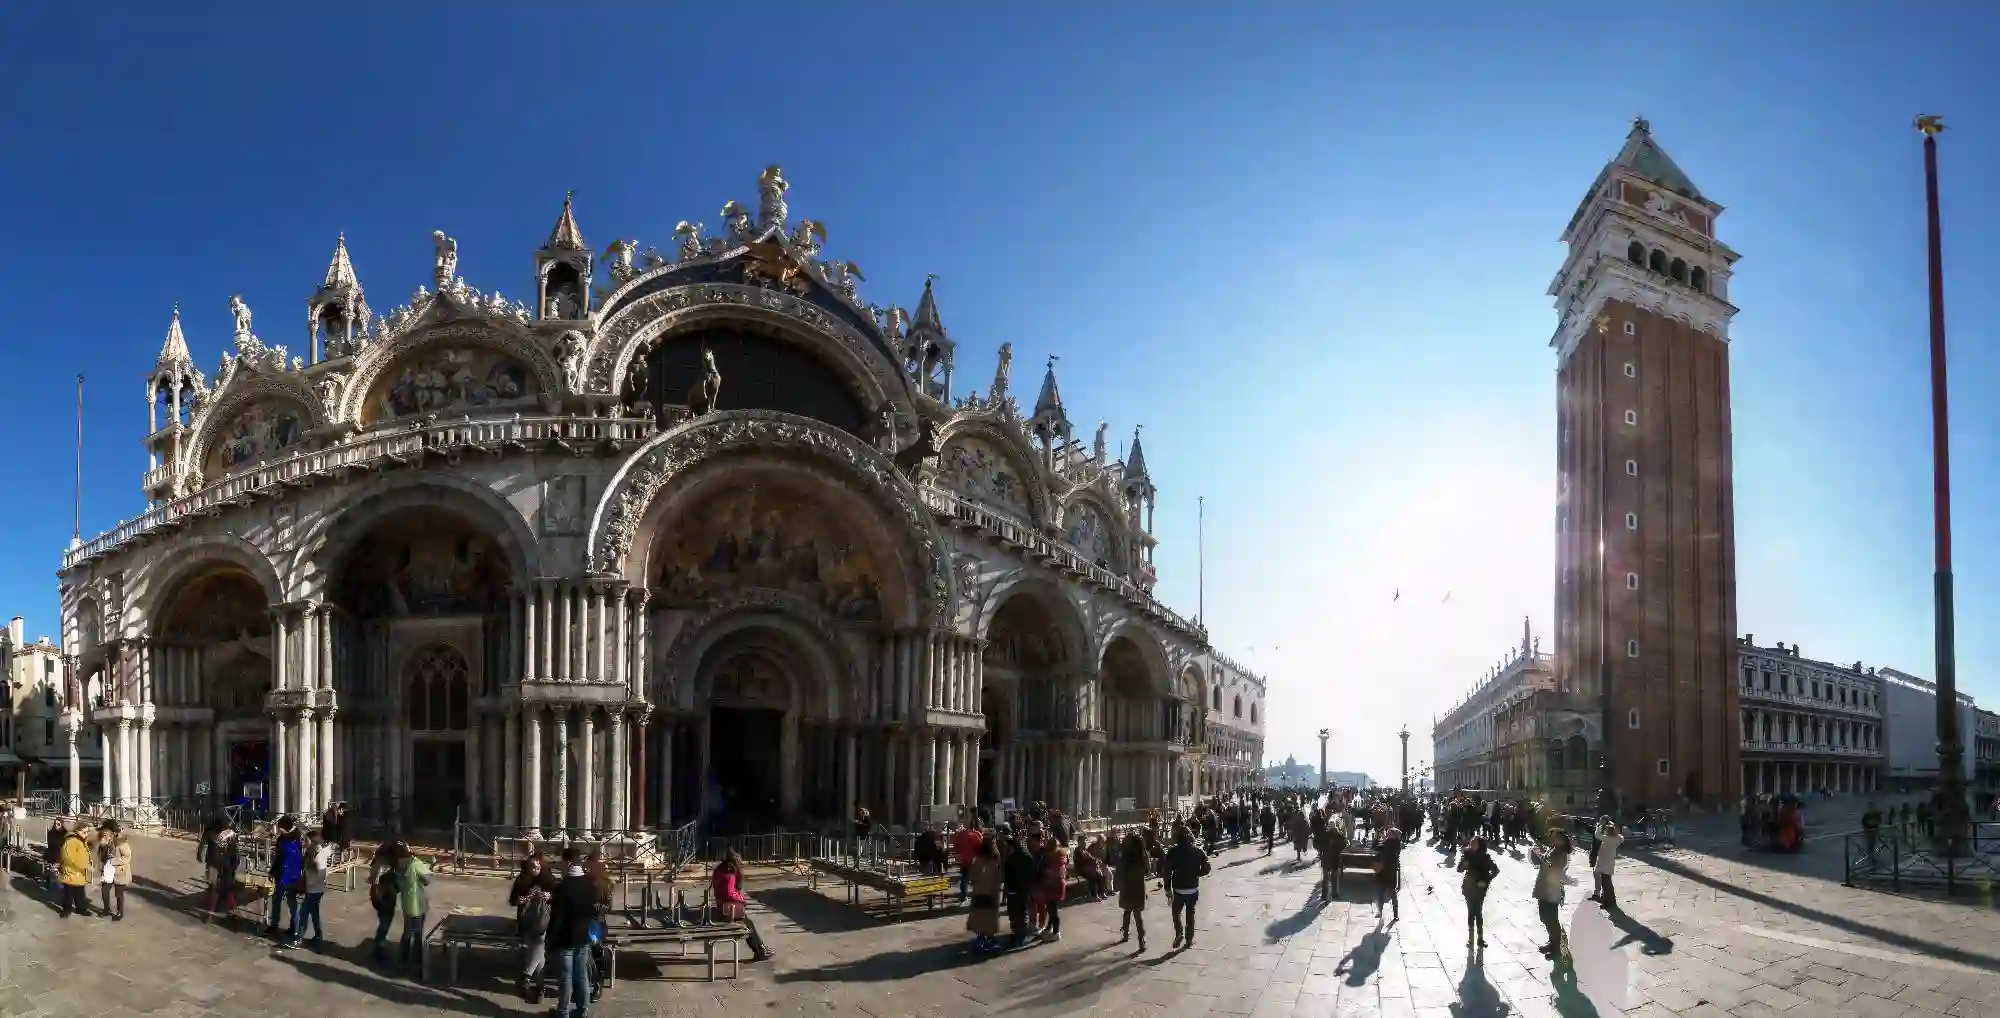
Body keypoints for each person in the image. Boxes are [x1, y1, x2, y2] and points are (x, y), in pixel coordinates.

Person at [547, 846, 600, 1017]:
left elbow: (557, 916)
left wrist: (550, 938)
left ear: (568, 862)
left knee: (566, 976)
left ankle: (563, 1012)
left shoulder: (563, 887)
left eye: (562, 861)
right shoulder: (590, 884)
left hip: (565, 937)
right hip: (583, 934)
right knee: (582, 974)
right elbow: (592, 911)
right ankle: (582, 1010)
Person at [510, 851, 559, 1003]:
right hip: (526, 920)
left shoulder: (548, 879)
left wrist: (549, 896)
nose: (535, 869)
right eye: (532, 866)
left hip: (544, 920)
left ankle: (526, 977)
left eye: (537, 866)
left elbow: (558, 897)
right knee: (538, 952)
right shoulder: (522, 879)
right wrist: (521, 899)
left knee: (537, 945)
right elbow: (513, 900)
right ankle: (539, 987)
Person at [711, 849, 772, 962]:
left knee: (748, 923)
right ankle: (761, 951)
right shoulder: (729, 875)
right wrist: (742, 900)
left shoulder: (720, 870)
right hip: (728, 909)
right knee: (748, 924)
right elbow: (730, 894)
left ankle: (761, 950)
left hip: (723, 906)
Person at [1164, 822, 1210, 949]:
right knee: (1190, 913)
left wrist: (1167, 888)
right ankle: (1189, 939)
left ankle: (1179, 932)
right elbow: (1207, 867)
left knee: (1176, 912)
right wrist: (1198, 874)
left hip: (1178, 888)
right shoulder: (1198, 851)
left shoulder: (1172, 851)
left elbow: (1167, 872)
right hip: (1193, 888)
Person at [1532, 829, 1573, 960]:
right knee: (1544, 917)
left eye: (1555, 837)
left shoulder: (1562, 854)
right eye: (1551, 837)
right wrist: (1538, 852)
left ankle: (1559, 947)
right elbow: (1539, 862)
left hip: (1552, 889)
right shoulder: (1552, 849)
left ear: (1561, 839)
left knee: (1551, 919)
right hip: (1544, 887)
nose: (1552, 839)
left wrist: (1542, 857)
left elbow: (1555, 869)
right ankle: (1552, 942)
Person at [267, 815, 306, 946]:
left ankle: (291, 928)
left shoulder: (287, 841)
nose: (278, 829)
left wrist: (272, 872)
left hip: (288, 876)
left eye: (279, 827)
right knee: (283, 902)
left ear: (284, 828)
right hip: (288, 875)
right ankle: (285, 927)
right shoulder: (295, 839)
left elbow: (279, 860)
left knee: (289, 904)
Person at [395, 846, 432, 971]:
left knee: (408, 932)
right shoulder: (414, 864)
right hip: (417, 906)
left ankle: (403, 960)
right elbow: (427, 880)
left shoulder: (399, 868)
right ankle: (416, 963)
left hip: (407, 904)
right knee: (415, 934)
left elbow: (398, 887)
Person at [1457, 835, 1498, 948]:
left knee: (1478, 912)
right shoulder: (1466, 855)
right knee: (1471, 912)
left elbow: (1495, 870)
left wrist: (1486, 881)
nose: (1472, 843)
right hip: (1468, 887)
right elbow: (1459, 869)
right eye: (1471, 841)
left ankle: (1480, 939)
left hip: (1480, 888)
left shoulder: (1485, 857)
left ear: (1480, 845)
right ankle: (1471, 940)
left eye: (1475, 842)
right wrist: (1464, 863)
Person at [966, 835, 1003, 953]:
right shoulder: (996, 859)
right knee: (990, 917)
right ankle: (990, 940)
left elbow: (972, 876)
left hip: (980, 892)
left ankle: (981, 940)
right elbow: (998, 877)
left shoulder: (978, 860)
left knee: (980, 916)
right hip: (992, 893)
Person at [1001, 834, 1038, 949]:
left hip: (1014, 890)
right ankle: (1019, 935)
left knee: (1015, 913)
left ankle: (1017, 934)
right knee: (1022, 913)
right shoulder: (1026, 856)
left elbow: (1006, 877)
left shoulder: (1011, 858)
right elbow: (1033, 871)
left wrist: (1005, 893)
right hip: (1023, 889)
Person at [1115, 832, 1151, 951]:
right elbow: (1147, 870)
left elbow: (1119, 870)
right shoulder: (1142, 855)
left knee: (1127, 910)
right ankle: (1141, 941)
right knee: (1138, 914)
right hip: (1138, 884)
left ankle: (1125, 934)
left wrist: (1117, 884)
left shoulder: (1124, 856)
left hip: (1126, 885)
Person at [95, 820, 132, 920]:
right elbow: (102, 857)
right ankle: (106, 909)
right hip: (108, 870)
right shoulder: (105, 839)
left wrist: (114, 861)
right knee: (104, 890)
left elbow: (127, 857)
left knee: (118, 894)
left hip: (120, 871)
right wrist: (103, 846)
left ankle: (120, 913)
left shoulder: (121, 841)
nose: (105, 833)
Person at [299, 831, 331, 947]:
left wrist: (311, 881)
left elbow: (322, 873)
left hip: (315, 889)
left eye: (306, 840)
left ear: (313, 841)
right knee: (314, 913)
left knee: (304, 913)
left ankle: (299, 938)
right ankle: (318, 937)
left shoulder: (318, 854)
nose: (304, 842)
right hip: (312, 888)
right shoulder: (309, 852)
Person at [1036, 839, 1069, 943]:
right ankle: (1049, 928)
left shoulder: (1053, 858)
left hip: (1052, 886)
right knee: (1052, 909)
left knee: (1053, 910)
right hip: (1058, 885)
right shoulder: (1062, 855)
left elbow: (1049, 873)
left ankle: (1056, 932)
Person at [57, 822, 92, 917]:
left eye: (87, 832)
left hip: (79, 872)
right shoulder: (71, 841)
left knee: (80, 892)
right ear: (78, 831)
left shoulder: (81, 840)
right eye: (84, 832)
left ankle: (81, 908)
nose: (86, 834)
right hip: (71, 872)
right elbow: (68, 857)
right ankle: (66, 910)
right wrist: (84, 865)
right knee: (68, 893)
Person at [206, 820, 240, 919]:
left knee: (218, 886)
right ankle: (229, 907)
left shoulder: (215, 836)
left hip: (221, 863)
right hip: (227, 863)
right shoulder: (229, 835)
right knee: (227, 886)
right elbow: (234, 852)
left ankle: (213, 908)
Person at [1591, 818, 1624, 909]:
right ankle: (1612, 899)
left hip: (1604, 863)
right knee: (1608, 882)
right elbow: (1621, 837)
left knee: (1605, 883)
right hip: (1609, 863)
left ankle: (1607, 901)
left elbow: (1597, 834)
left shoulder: (1607, 838)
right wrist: (1613, 827)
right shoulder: (1617, 838)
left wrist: (1601, 825)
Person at [1374, 826, 1403, 921]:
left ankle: (1393, 914)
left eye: (1390, 833)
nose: (1387, 833)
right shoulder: (1389, 843)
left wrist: (1381, 840)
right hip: (1387, 872)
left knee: (1387, 893)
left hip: (1387, 872)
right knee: (1385, 893)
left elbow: (1378, 849)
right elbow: (1376, 848)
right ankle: (1388, 913)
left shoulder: (1393, 844)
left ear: (1394, 836)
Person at [952, 823, 984, 903]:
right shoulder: (976, 834)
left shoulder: (960, 835)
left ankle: (964, 895)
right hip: (973, 860)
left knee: (964, 879)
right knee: (976, 879)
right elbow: (981, 846)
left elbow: (955, 847)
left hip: (963, 860)